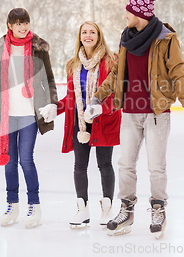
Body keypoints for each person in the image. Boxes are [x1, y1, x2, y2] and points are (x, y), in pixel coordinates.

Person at [85, 0, 184, 238]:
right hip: (130, 112)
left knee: (156, 166)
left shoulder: (166, 39)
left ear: (139, 14)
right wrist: (99, 95)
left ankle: (158, 209)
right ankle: (126, 209)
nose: (125, 15)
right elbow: (116, 73)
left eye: (129, 11)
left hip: (156, 113)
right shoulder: (126, 39)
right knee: (125, 164)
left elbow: (179, 74)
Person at [0, 8, 58, 228]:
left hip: (29, 113)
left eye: (25, 22)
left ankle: (34, 206)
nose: (23, 27)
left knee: (26, 160)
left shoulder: (39, 48)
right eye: (18, 23)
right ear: (9, 25)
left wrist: (53, 103)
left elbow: (49, 79)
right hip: (7, 114)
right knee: (9, 162)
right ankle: (12, 205)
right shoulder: (0, 48)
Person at [56, 21, 121, 229]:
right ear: (80, 37)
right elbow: (71, 97)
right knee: (79, 166)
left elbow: (117, 93)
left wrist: (102, 108)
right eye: (84, 32)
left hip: (103, 120)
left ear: (99, 35)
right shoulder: (73, 65)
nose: (88, 35)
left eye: (92, 32)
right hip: (80, 122)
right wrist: (54, 108)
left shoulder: (111, 61)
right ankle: (82, 209)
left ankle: (107, 207)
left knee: (104, 164)